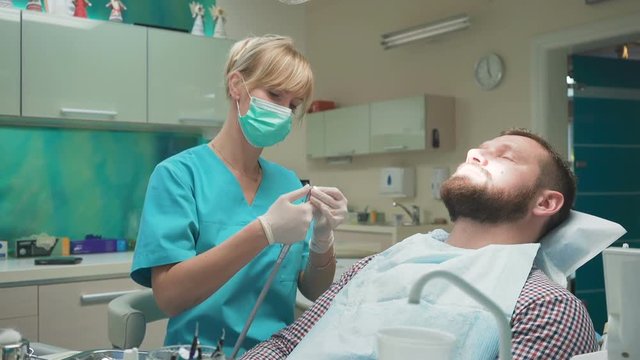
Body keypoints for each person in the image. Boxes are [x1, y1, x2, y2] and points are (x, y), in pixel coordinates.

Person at [241, 129, 599, 360]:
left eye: (504, 156)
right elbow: (285, 344)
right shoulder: (379, 265)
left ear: (545, 203)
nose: (474, 152)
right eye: (479, 148)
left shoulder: (546, 308)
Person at [130, 35, 348, 356]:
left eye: (293, 105)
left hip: (276, 352)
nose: (283, 112)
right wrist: (264, 231)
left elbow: (315, 289)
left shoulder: (288, 183)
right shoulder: (178, 176)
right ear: (236, 85)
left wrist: (323, 240)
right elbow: (169, 297)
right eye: (274, 94)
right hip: (202, 352)